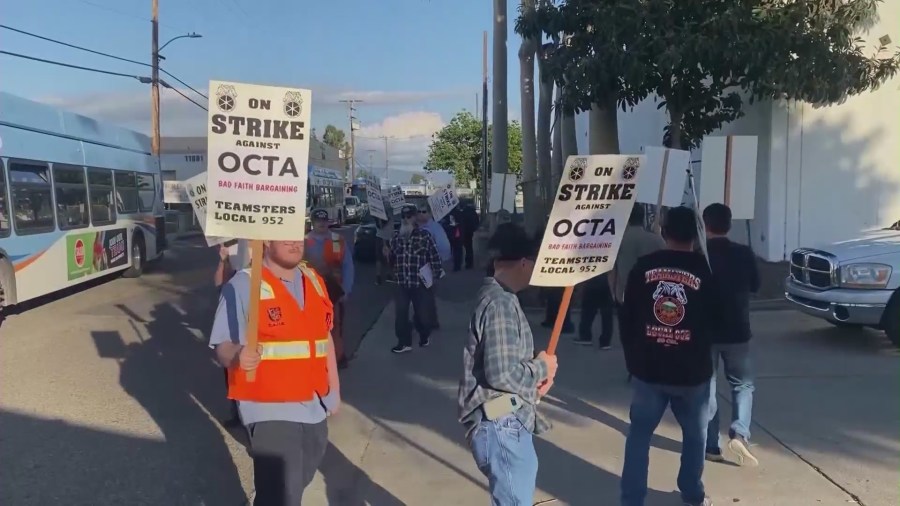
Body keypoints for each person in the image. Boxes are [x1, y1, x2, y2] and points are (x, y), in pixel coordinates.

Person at [209, 240, 341, 506]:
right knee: (284, 494)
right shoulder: (243, 285)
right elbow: (221, 346)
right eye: (285, 235)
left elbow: (323, 337)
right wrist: (237, 355)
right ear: (266, 242)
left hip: (314, 404)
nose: (295, 242)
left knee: (297, 482)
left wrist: (334, 392)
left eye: (296, 233)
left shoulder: (314, 279)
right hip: (269, 406)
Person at [619, 206, 717, 506]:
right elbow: (716, 321)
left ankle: (632, 499)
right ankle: (692, 493)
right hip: (692, 371)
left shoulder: (643, 267)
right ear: (696, 233)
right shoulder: (705, 271)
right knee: (695, 436)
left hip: (648, 369)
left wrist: (633, 360)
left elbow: (628, 317)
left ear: (663, 231)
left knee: (639, 436)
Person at [458, 223, 559, 505]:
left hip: (501, 418)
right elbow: (501, 373)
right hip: (501, 423)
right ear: (524, 263)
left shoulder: (497, 297)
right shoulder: (500, 303)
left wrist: (533, 386)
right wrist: (541, 367)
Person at [702, 203, 761, 467]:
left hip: (705, 332)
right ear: (729, 224)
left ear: (705, 224)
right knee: (743, 384)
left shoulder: (698, 254)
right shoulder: (744, 253)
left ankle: (710, 445)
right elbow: (757, 285)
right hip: (738, 329)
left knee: (708, 387)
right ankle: (740, 432)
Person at [383, 203, 444, 353]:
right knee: (401, 313)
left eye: (409, 216)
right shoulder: (396, 237)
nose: (406, 219)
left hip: (420, 283)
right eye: (403, 216)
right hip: (402, 282)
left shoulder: (425, 236)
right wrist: (388, 255)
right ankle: (404, 342)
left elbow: (434, 256)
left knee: (423, 315)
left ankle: (424, 334)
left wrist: (436, 275)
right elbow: (393, 261)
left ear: (415, 217)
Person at [304, 208, 354, 369]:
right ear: (312, 222)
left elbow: (348, 266)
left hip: (334, 292)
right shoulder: (303, 242)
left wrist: (346, 289)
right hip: (311, 293)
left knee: (336, 326)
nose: (321, 224)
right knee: (313, 328)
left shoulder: (338, 240)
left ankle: (337, 358)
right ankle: (316, 359)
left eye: (324, 221)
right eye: (318, 221)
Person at [213, 239, 250, 428]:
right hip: (234, 329)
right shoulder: (233, 247)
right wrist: (223, 260)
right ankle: (237, 412)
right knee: (232, 373)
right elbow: (219, 284)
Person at [575, 272, 615, 349]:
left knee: (588, 310)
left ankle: (585, 336)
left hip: (594, 279)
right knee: (607, 314)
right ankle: (605, 342)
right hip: (608, 281)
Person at [459, 202, 480, 269]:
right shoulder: (473, 213)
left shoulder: (463, 212)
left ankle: (461, 262)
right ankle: (470, 263)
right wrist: (474, 228)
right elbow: (477, 222)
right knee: (469, 248)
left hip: (463, 231)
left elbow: (460, 221)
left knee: (461, 247)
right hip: (470, 232)